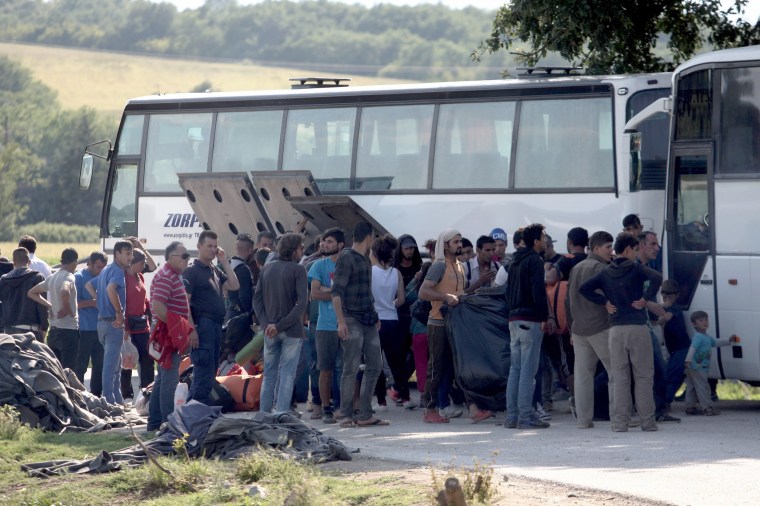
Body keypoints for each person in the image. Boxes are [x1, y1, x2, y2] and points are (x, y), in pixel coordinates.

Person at [579, 233, 662, 432]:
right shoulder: (636, 268)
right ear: (628, 250)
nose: (636, 253)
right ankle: (647, 422)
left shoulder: (606, 272)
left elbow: (585, 289)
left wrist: (604, 302)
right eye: (635, 250)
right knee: (643, 376)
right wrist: (646, 298)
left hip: (615, 329)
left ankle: (619, 422)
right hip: (637, 327)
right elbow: (657, 278)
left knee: (619, 377)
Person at [332, 221, 388, 427]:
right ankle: (346, 413)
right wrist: (340, 322)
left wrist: (375, 316)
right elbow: (336, 291)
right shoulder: (346, 258)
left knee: (375, 364)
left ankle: (364, 414)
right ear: (369, 237)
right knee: (351, 367)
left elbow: (366, 293)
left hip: (367, 318)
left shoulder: (364, 259)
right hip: (351, 319)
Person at [505, 223, 553, 429]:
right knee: (528, 372)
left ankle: (512, 416)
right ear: (536, 241)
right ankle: (525, 416)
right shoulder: (534, 260)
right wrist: (544, 317)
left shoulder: (514, 260)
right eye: (543, 237)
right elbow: (538, 292)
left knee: (515, 370)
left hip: (514, 320)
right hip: (530, 319)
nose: (546, 240)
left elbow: (507, 292)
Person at [183, 230, 239, 406]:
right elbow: (185, 303)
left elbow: (234, 285)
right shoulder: (192, 271)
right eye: (209, 246)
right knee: (203, 371)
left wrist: (224, 261)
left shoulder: (213, 269)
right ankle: (193, 414)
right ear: (199, 246)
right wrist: (191, 329)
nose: (213, 250)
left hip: (215, 325)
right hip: (203, 325)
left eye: (215, 246)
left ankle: (199, 413)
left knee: (211, 371)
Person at [254, 233, 308, 414]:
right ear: (293, 250)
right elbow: (302, 303)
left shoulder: (267, 268)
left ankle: (264, 414)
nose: (302, 251)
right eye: (301, 248)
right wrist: (280, 325)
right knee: (286, 374)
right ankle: (282, 414)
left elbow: (257, 300)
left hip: (269, 329)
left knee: (269, 375)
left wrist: (266, 324)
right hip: (290, 330)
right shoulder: (298, 269)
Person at [566, 231, 614, 429]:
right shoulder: (601, 268)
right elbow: (608, 298)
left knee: (582, 376)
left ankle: (583, 420)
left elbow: (567, 301)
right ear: (595, 248)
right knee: (616, 372)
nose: (612, 251)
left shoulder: (576, 267)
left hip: (579, 329)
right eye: (608, 247)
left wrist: (571, 329)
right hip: (600, 327)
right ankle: (620, 415)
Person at [147, 241, 196, 431]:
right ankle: (167, 425)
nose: (187, 260)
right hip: (168, 334)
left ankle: (154, 423)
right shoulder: (167, 276)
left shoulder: (173, 275)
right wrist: (178, 329)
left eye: (188, 256)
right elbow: (158, 307)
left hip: (169, 332)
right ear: (171, 257)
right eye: (184, 256)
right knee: (169, 380)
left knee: (162, 379)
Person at [636, 231, 679, 423]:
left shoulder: (646, 268)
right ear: (641, 246)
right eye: (652, 244)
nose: (657, 248)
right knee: (659, 369)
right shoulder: (634, 269)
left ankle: (657, 410)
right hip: (637, 327)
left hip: (647, 325)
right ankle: (658, 410)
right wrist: (648, 303)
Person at [371, 235, 414, 408]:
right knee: (397, 362)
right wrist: (390, 304)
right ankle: (405, 397)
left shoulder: (370, 272)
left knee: (376, 362)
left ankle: (381, 400)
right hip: (393, 320)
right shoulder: (396, 273)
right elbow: (401, 300)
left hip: (375, 321)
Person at [308, 228, 346, 423]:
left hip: (346, 324)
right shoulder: (318, 266)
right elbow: (314, 294)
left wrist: (327, 289)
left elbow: (351, 292)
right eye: (324, 241)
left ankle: (341, 406)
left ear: (340, 245)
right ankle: (326, 408)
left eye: (329, 242)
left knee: (344, 368)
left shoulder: (348, 264)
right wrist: (336, 291)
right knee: (325, 369)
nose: (325, 245)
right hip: (324, 326)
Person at [91, 240, 133, 406]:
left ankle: (117, 400)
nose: (130, 257)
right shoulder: (116, 271)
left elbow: (90, 285)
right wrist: (118, 312)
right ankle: (109, 401)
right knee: (111, 367)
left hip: (102, 323)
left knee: (115, 365)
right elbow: (110, 289)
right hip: (112, 323)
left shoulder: (105, 270)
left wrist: (100, 303)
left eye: (131, 253)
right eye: (127, 253)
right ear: (117, 254)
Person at [28, 248, 79, 371]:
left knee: (57, 371)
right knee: (69, 372)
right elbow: (65, 290)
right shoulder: (69, 276)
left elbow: (31, 292)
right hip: (68, 331)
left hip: (54, 332)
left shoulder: (52, 277)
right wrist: (66, 308)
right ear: (74, 262)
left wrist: (49, 305)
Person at [684, 311, 737, 416]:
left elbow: (716, 342)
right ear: (694, 324)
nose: (705, 322)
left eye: (706, 319)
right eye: (701, 320)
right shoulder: (698, 337)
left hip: (694, 367)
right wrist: (688, 360)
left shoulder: (707, 337)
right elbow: (692, 348)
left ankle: (690, 407)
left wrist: (728, 340)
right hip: (697, 367)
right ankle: (707, 408)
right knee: (703, 387)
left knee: (692, 387)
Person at [120, 250, 155, 400]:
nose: (144, 266)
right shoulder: (123, 278)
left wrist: (150, 313)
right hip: (129, 326)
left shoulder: (139, 276)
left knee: (147, 360)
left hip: (142, 325)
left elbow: (144, 299)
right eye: (141, 263)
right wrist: (126, 328)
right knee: (127, 361)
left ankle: (147, 392)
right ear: (134, 263)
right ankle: (126, 394)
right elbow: (124, 304)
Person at [74, 251, 107, 396]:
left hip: (100, 329)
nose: (100, 271)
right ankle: (79, 396)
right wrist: (93, 303)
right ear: (90, 263)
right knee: (80, 366)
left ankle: (96, 396)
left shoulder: (103, 278)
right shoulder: (78, 278)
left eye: (103, 268)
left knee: (99, 366)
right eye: (98, 267)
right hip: (84, 329)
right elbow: (73, 304)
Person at [0, 248, 48, 341]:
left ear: (13, 262)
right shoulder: (37, 277)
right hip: (30, 332)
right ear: (29, 262)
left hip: (8, 333)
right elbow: (42, 306)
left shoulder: (3, 280)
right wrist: (44, 327)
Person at [656, 279, 691, 408]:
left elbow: (665, 319)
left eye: (670, 295)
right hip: (675, 348)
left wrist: (661, 307)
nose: (667, 297)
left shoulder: (674, 308)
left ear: (677, 295)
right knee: (675, 374)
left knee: (671, 375)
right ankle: (666, 400)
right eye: (664, 294)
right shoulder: (671, 307)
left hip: (681, 347)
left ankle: (665, 402)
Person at [226, 233, 255, 322]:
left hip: (230, 311)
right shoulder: (243, 269)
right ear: (250, 250)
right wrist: (250, 312)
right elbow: (244, 295)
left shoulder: (228, 264)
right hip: (240, 315)